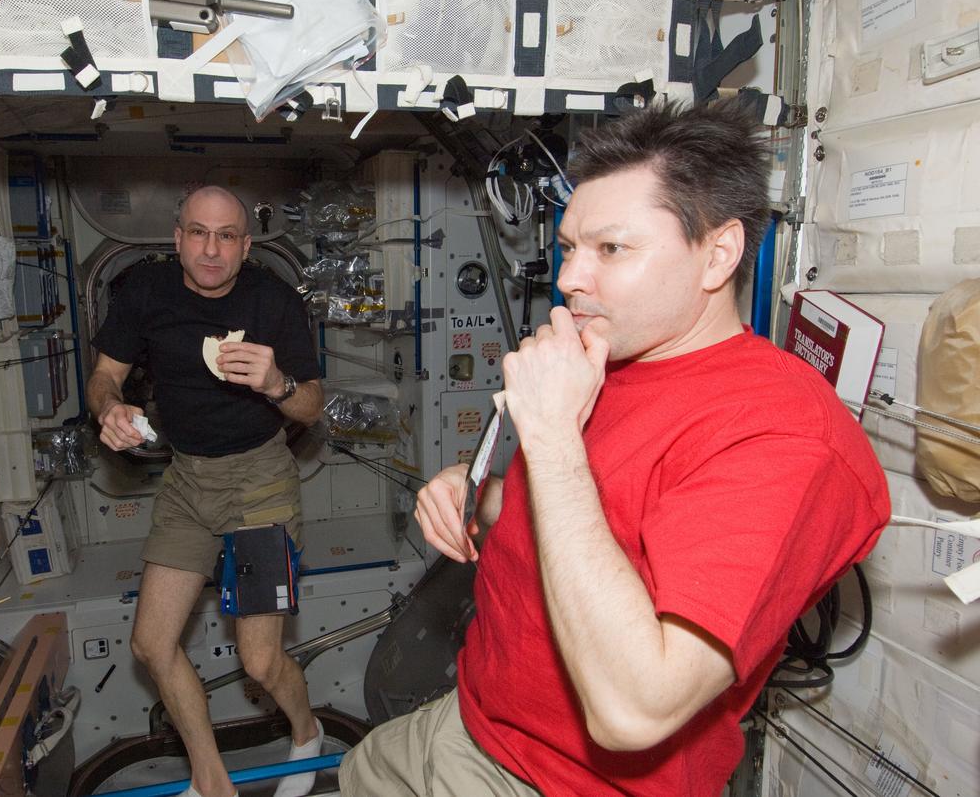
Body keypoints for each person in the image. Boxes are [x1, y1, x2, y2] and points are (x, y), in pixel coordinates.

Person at [340, 99, 891, 796]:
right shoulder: (612, 359)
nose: (570, 277)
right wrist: (474, 492)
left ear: (716, 254)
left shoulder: (782, 435)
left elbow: (636, 709)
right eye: (570, 246)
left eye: (612, 249)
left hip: (566, 784)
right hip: (473, 722)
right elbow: (599, 517)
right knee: (359, 769)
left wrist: (549, 433)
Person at [89, 185, 325, 797]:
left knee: (260, 662)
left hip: (260, 484)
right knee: (151, 643)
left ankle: (307, 732)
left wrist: (276, 382)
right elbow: (104, 376)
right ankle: (210, 777)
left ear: (246, 246)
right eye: (198, 233)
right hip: (187, 481)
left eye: (226, 236)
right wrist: (110, 409)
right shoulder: (144, 292)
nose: (211, 249)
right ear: (178, 239)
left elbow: (312, 405)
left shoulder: (274, 301)